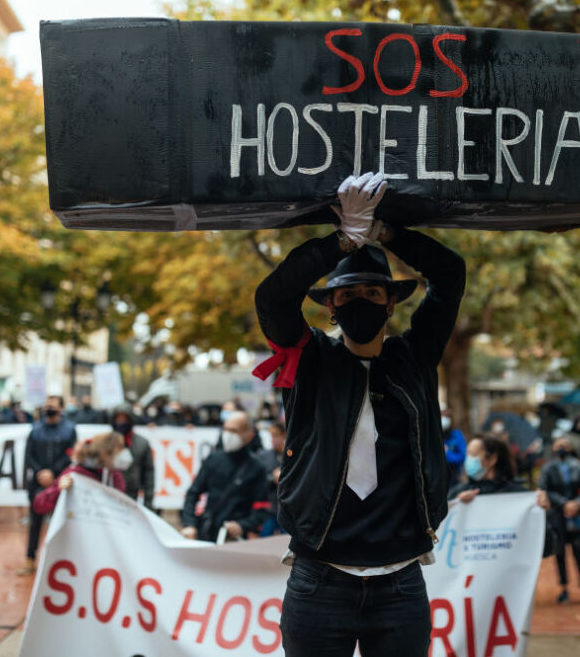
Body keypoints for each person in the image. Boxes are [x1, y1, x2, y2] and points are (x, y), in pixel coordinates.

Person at [253, 172, 465, 657]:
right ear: (331, 306)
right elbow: (272, 298)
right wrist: (341, 242)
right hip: (319, 580)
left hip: (400, 584)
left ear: (392, 303)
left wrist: (386, 233)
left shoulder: (415, 357)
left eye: (373, 293)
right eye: (348, 295)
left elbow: (451, 273)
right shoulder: (310, 360)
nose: (361, 301)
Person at [180, 411, 272, 542]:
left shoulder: (257, 468)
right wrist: (189, 524)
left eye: (234, 431)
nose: (228, 434)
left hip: (235, 539)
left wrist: (242, 525)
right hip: (207, 532)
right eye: (226, 429)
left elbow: (262, 510)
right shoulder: (213, 459)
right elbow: (193, 493)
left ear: (249, 435)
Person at [19, 396, 77, 575]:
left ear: (61, 408)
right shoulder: (35, 430)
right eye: (46, 406)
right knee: (35, 523)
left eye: (52, 406)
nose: (48, 409)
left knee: (61, 523)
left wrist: (54, 473)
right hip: (38, 482)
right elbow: (29, 456)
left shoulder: (69, 430)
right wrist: (41, 473)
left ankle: (60, 563)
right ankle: (30, 560)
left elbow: (70, 455)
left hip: (61, 483)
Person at [538, 436, 580, 605]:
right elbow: (544, 489)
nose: (562, 449)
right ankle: (564, 588)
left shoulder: (579, 466)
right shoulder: (548, 468)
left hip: (577, 517)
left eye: (565, 445)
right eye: (559, 446)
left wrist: (577, 504)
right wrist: (563, 503)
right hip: (557, 518)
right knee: (560, 554)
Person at [33, 432, 130, 514]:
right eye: (118, 451)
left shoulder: (114, 475)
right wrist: (58, 490)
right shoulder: (75, 473)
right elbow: (39, 504)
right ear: (104, 454)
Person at [449, 434, 526, 502]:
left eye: (473, 454)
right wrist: (457, 502)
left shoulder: (517, 494)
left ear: (492, 459)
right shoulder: (459, 492)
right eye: (467, 455)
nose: (468, 460)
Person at [111, 409, 155, 510]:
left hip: (132, 494)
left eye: (124, 419)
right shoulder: (106, 443)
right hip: (110, 493)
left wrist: (148, 502)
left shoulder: (142, 443)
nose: (121, 423)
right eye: (118, 419)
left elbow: (148, 473)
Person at [441, 409, 467, 489]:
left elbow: (463, 456)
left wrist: (447, 453)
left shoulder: (457, 435)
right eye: (442, 416)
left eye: (446, 417)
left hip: (453, 478)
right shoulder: (434, 436)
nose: (443, 419)